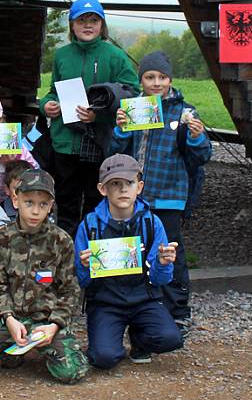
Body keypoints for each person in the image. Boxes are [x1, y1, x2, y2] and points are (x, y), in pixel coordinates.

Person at [111, 51, 211, 335]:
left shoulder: (185, 112)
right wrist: (119, 131)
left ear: (170, 79)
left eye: (162, 77)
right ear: (141, 80)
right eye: (149, 77)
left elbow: (202, 156)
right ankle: (137, 303)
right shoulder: (133, 109)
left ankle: (178, 309)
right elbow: (117, 154)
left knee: (170, 252)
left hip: (170, 195)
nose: (156, 83)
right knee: (135, 248)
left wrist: (196, 136)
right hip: (136, 197)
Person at [0, 169, 89, 384]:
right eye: (29, 202)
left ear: (51, 205)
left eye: (43, 204)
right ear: (15, 200)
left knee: (74, 371)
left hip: (45, 323)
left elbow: (69, 290)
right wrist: (8, 319)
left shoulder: (61, 241)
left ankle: (45, 351)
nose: (36, 211)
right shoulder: (3, 238)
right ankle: (13, 351)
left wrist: (54, 325)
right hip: (12, 320)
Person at [38, 0, 139, 236]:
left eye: (93, 20)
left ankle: (95, 252)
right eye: (81, 20)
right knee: (66, 201)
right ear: (72, 25)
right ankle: (67, 254)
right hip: (66, 142)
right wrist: (47, 105)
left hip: (100, 142)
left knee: (97, 201)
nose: (87, 25)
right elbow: (53, 89)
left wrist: (99, 115)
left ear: (102, 25)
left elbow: (131, 92)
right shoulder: (62, 55)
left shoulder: (115, 56)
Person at [75, 154, 182, 368]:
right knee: (104, 359)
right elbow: (83, 280)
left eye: (129, 183)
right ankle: (107, 340)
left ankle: (140, 339)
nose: (123, 190)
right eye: (115, 183)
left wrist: (163, 263)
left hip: (144, 299)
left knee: (171, 338)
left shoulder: (152, 222)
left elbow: (160, 280)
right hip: (106, 301)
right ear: (102, 188)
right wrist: (85, 267)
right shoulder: (90, 225)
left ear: (139, 187)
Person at [0, 160, 34, 230]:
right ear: (7, 190)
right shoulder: (0, 214)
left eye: (29, 187)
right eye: (17, 189)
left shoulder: (41, 206)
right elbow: (4, 236)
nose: (24, 192)